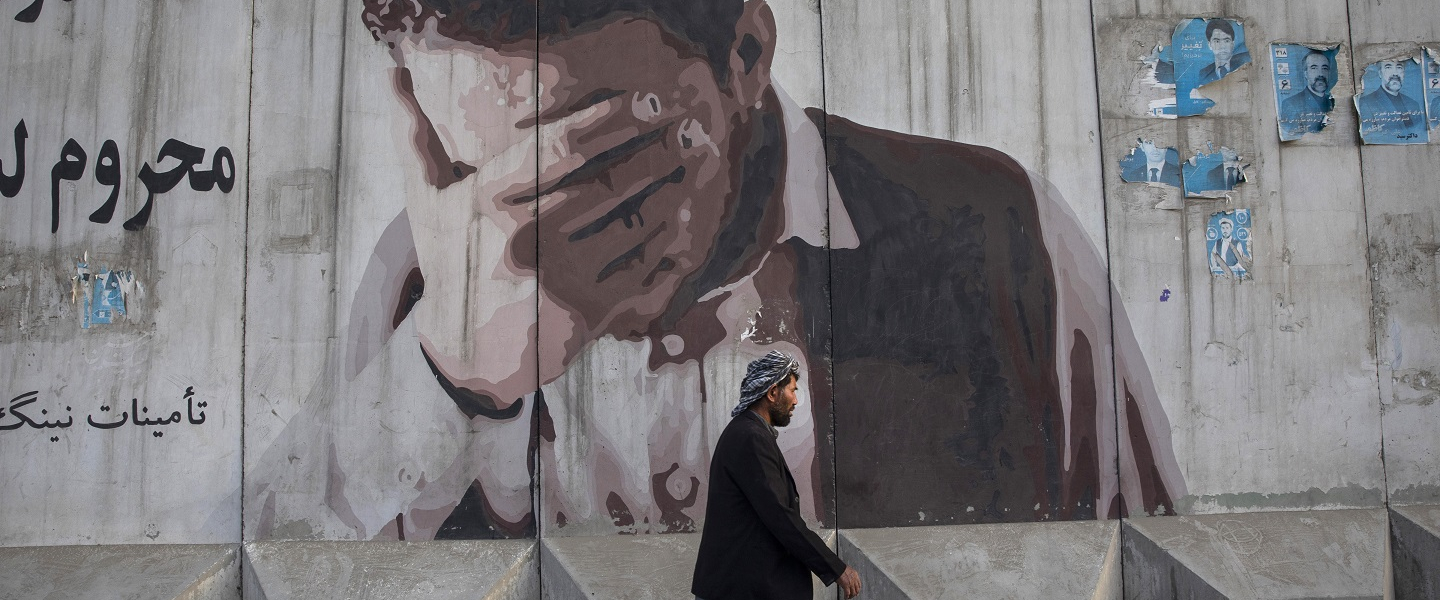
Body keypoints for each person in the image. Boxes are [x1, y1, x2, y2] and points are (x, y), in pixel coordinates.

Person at [247, 0, 1186, 542]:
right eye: (477, 172)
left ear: (744, 56)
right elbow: (266, 559)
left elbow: (1156, 562)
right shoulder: (425, 279)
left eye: (605, 168)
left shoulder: (1003, 232)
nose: (534, 242)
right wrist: (451, 379)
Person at [691, 351, 861, 600]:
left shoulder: (748, 432)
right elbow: (781, 516)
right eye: (792, 390)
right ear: (772, 393)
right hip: (738, 591)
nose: (796, 400)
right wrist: (836, 568)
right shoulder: (750, 437)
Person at [1357, 60, 1426, 140]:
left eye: (1399, 67)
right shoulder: (1366, 103)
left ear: (1404, 73)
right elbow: (1370, 137)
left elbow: (1420, 135)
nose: (1395, 73)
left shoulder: (1413, 104)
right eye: (1388, 67)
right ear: (1380, 73)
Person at [1279, 51, 1335, 136]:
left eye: (1324, 68)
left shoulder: (1333, 101)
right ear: (1305, 73)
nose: (1320, 74)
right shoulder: (1291, 104)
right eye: (1314, 68)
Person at [1197, 19, 1249, 85]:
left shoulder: (1245, 62)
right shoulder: (1204, 73)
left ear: (1232, 44)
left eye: (1226, 41)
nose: (1222, 46)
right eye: (1217, 41)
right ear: (1209, 45)